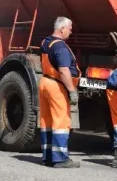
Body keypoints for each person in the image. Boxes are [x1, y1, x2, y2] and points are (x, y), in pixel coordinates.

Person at [39, 16, 81, 168]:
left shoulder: (46, 42)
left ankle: (48, 157)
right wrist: (72, 91)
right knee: (61, 121)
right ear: (62, 29)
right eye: (69, 29)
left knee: (47, 122)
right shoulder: (61, 47)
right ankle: (60, 159)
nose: (70, 32)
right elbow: (64, 71)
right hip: (57, 86)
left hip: (45, 82)